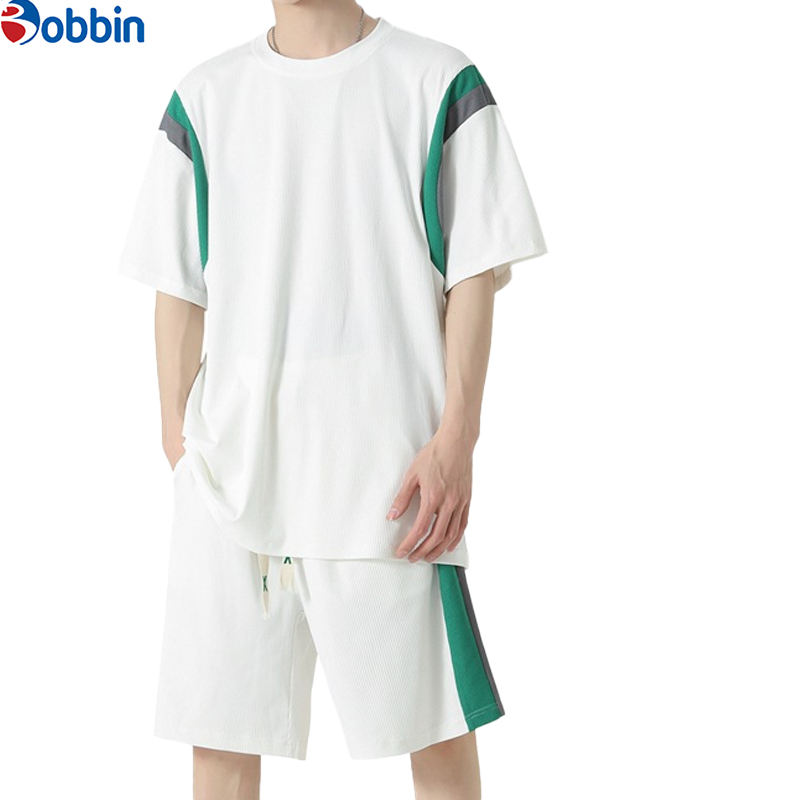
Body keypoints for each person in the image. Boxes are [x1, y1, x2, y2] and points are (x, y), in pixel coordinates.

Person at [118, 2, 547, 797]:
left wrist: (458, 438)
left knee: (436, 732)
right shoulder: (205, 97)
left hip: (390, 483)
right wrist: (180, 445)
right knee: (220, 743)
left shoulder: (437, 80)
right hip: (230, 482)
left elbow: (475, 271)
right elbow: (176, 283)